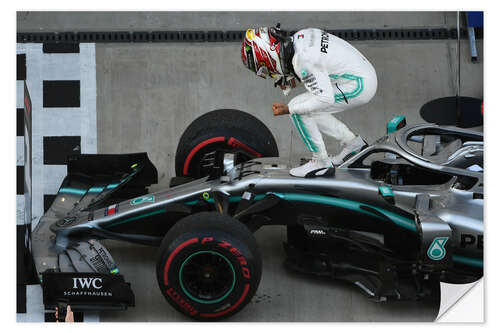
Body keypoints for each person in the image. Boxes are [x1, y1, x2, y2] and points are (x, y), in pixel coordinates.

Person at [241, 25, 377, 177]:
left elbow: (324, 98)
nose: (268, 73)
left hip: (359, 85)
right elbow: (322, 64)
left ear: (268, 54)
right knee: (308, 106)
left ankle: (320, 162)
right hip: (360, 74)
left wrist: (289, 110)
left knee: (298, 108)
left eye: (264, 68)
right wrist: (295, 78)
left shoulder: (303, 61)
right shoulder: (302, 36)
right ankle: (353, 144)